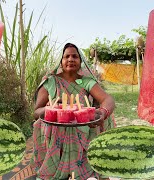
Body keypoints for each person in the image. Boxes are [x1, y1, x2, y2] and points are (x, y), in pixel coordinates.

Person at [33, 43, 116, 180]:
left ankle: (88, 166)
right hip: (56, 130)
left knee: (108, 117)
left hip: (83, 128)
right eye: (67, 56)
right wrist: (51, 109)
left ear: (80, 61)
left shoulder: (85, 82)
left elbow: (107, 99)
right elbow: (36, 112)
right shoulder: (51, 82)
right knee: (39, 124)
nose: (70, 59)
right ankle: (55, 167)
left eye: (75, 56)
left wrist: (102, 112)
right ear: (61, 61)